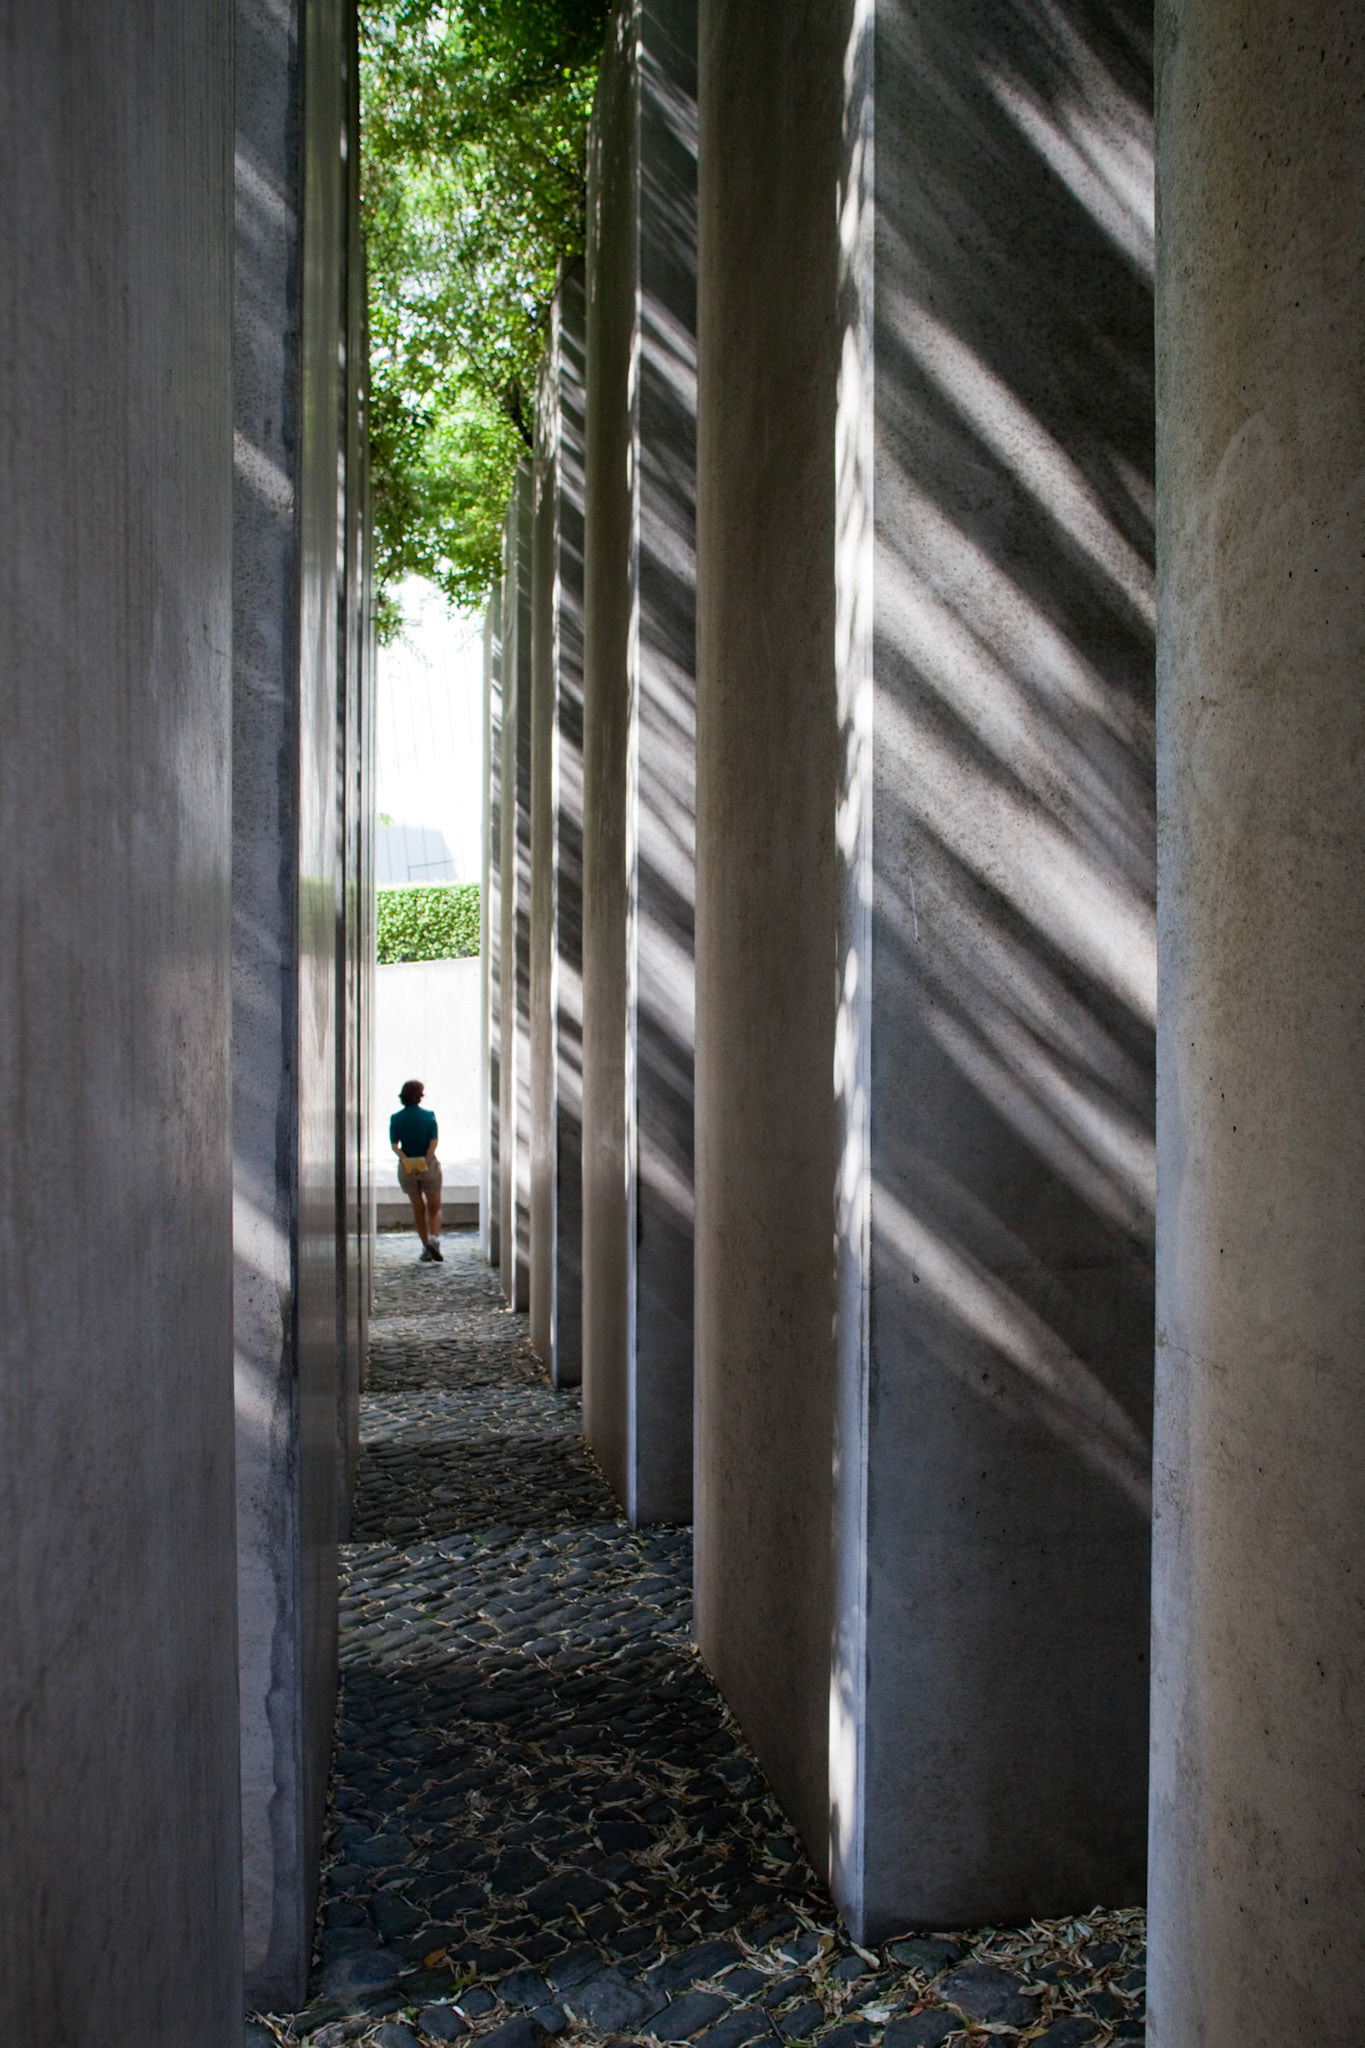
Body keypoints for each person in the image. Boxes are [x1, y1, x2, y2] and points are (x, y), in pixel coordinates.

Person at [390, 1078, 443, 1262]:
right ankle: (434, 1239)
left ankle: (425, 1247)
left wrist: (408, 1163)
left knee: (417, 1207)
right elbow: (433, 1143)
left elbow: (395, 1146)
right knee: (434, 1206)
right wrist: (425, 1163)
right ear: (420, 1096)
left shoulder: (396, 1118)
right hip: (429, 1166)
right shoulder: (429, 1116)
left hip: (407, 1168)